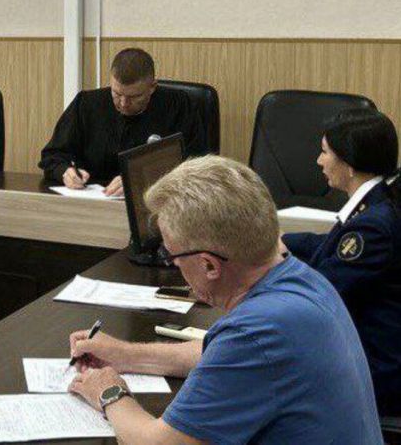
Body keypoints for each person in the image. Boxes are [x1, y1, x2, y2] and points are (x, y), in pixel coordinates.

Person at [67, 156, 382, 444]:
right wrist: (124, 355)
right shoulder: (303, 279)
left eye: (171, 255)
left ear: (209, 265)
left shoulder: (257, 331)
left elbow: (159, 443)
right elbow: (218, 355)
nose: (173, 265)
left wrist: (109, 391)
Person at [282, 108, 401, 416]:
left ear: (348, 163)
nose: (319, 161)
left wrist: (262, 268)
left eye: (325, 152)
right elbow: (327, 246)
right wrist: (275, 241)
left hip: (376, 374)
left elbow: (321, 290)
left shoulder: (373, 226)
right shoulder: (377, 203)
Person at [38, 48, 205, 196]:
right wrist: (65, 171)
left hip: (156, 201)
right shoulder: (87, 104)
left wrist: (139, 180)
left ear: (152, 87)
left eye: (134, 97)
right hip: (93, 201)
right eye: (117, 94)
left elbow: (197, 165)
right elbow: (53, 155)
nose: (124, 103)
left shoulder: (179, 106)